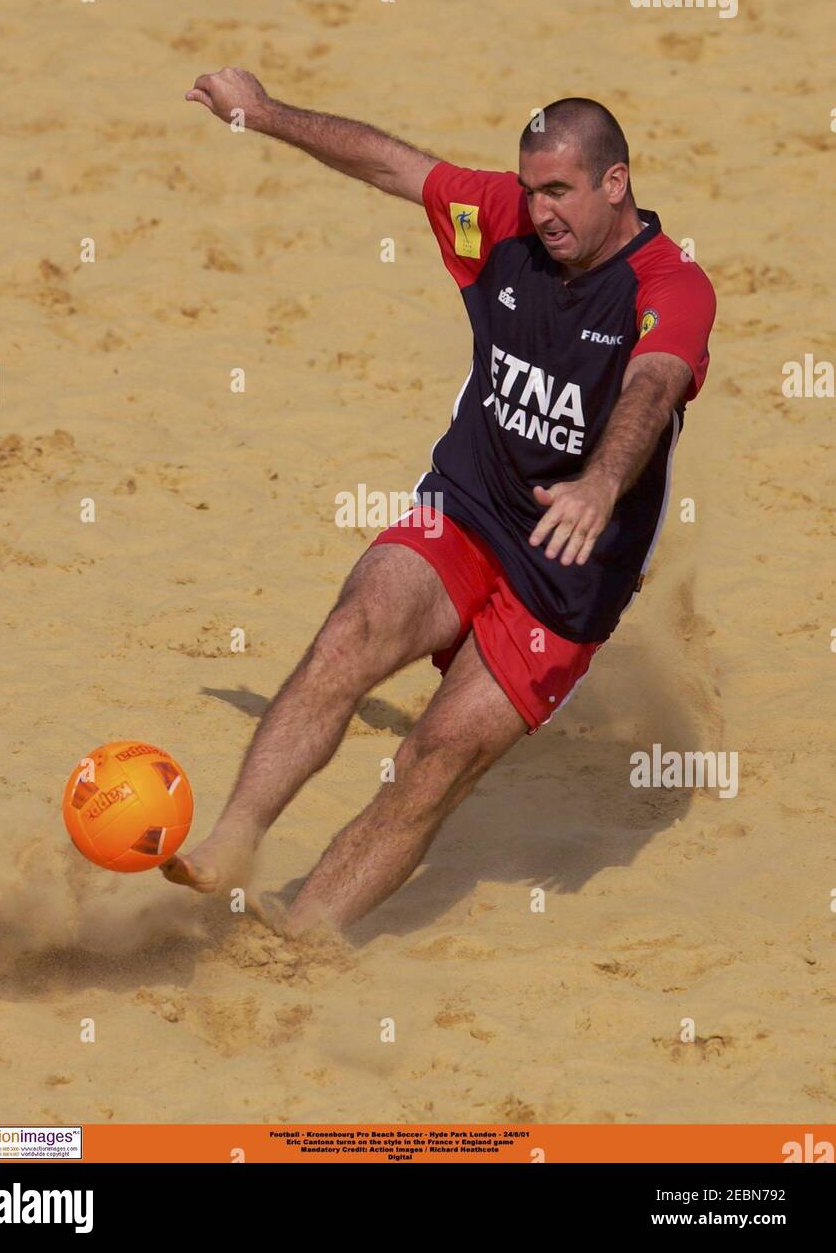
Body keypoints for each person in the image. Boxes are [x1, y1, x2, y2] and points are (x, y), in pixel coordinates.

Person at [161, 70, 716, 934]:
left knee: (435, 757)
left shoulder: (672, 286)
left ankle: (300, 933)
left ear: (617, 183)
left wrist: (602, 481)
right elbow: (392, 165)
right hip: (468, 507)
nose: (540, 212)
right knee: (352, 631)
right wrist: (264, 115)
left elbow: (655, 381)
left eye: (561, 191)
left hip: (568, 580)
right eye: (530, 189)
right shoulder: (504, 222)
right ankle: (233, 840)